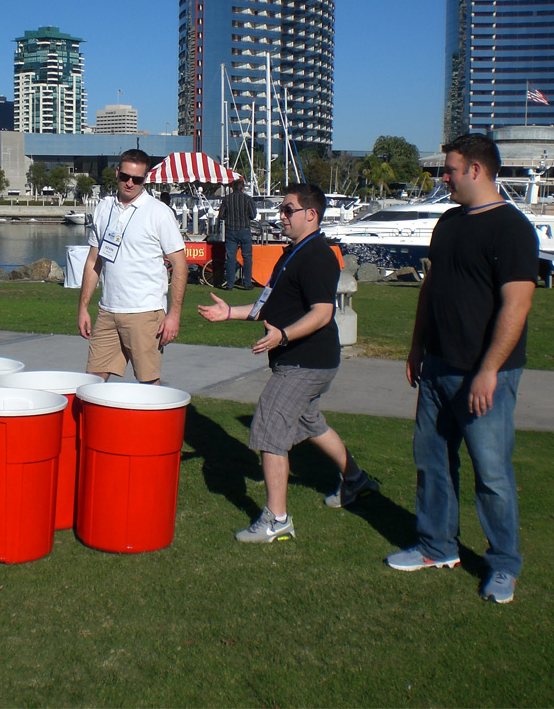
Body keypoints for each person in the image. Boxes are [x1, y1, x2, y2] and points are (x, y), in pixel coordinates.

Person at [386, 134, 539, 604]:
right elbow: (432, 290)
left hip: (485, 373)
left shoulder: (512, 228)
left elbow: (518, 302)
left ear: (475, 169)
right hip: (437, 367)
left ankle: (503, 565)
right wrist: (416, 348)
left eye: (449, 170)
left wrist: (489, 370)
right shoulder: (449, 223)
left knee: (491, 473)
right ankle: (437, 545)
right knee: (431, 462)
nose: (443, 178)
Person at [198, 183, 378, 542]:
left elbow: (323, 313)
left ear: (311, 214)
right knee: (309, 422)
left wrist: (283, 336)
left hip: (306, 361)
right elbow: (268, 305)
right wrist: (229, 312)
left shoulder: (317, 256)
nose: (281, 216)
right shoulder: (292, 253)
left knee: (269, 427)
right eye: (281, 210)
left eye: (288, 210)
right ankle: (355, 479)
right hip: (300, 359)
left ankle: (277, 519)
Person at [78, 149, 188, 385]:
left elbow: (180, 265)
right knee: (92, 384)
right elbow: (92, 261)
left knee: (149, 384)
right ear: (117, 173)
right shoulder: (104, 208)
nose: (129, 183)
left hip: (145, 312)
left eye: (137, 179)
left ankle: (161, 423)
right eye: (125, 176)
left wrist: (174, 315)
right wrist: (83, 307)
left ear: (145, 179)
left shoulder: (159, 213)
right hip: (108, 311)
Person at [217, 178, 256, 290]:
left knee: (230, 258)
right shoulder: (248, 199)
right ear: (242, 187)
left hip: (231, 231)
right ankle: (247, 283)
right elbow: (253, 215)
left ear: (232, 188)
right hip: (244, 229)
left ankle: (230, 284)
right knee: (247, 257)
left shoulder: (227, 199)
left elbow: (222, 216)